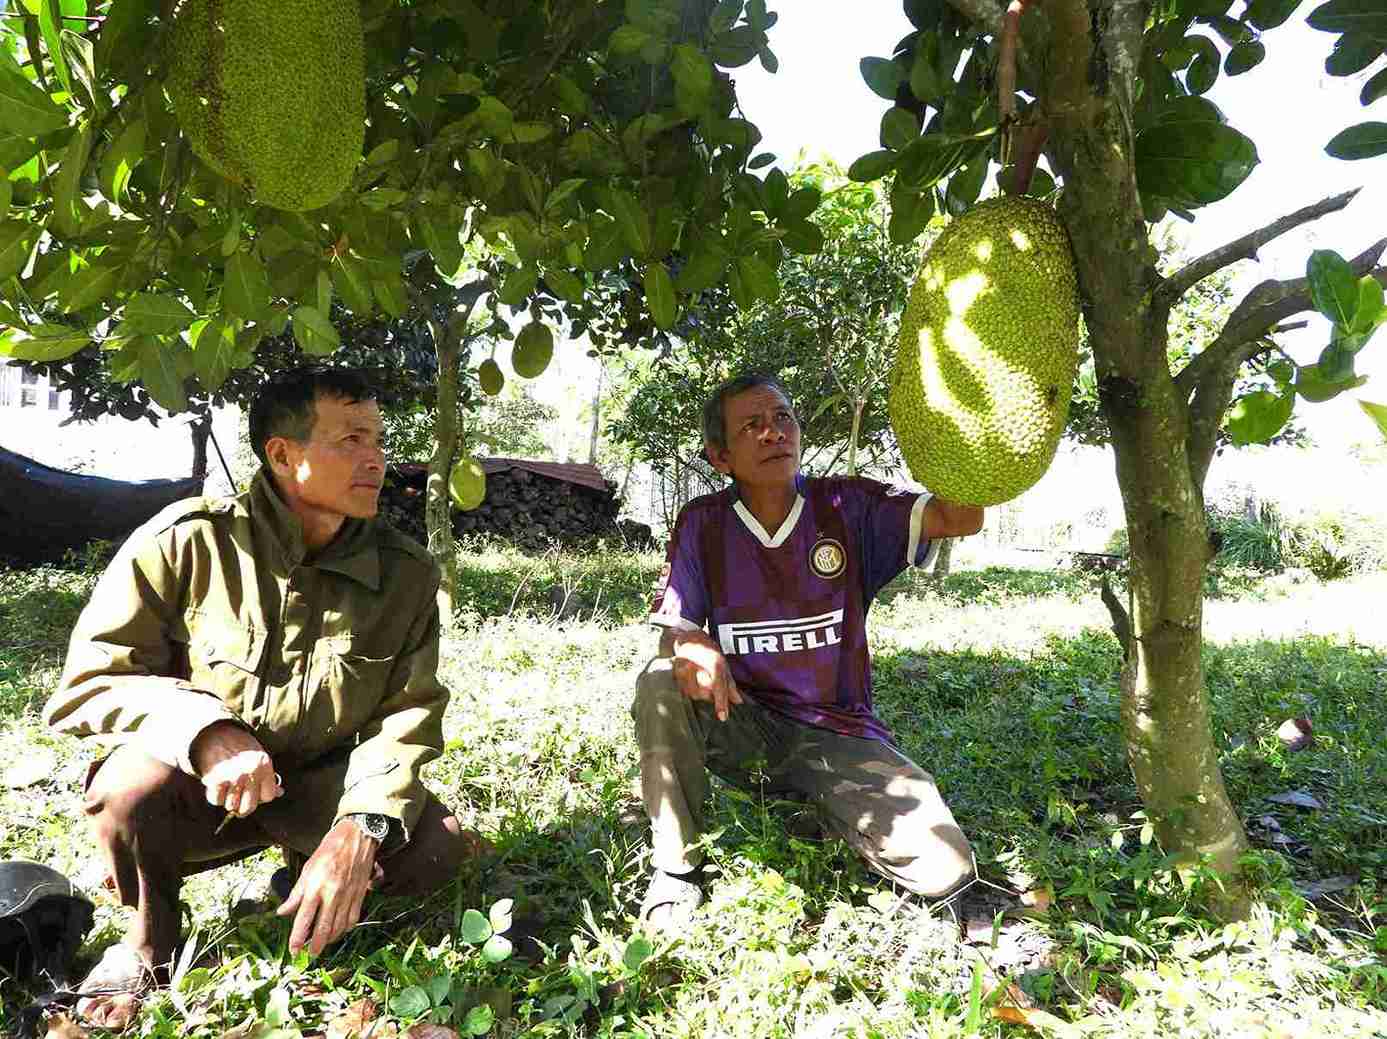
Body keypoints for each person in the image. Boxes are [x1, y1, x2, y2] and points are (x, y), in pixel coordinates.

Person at [43, 367, 482, 1027]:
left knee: (437, 846)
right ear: (283, 454)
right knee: (125, 794)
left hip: (319, 787)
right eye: (351, 439)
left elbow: (407, 718)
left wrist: (359, 824)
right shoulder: (185, 540)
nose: (376, 459)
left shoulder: (407, 576)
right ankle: (150, 938)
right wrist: (205, 728)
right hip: (199, 786)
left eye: (379, 441)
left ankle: (301, 882)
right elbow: (89, 680)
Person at [634, 373, 985, 928]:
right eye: (752, 425)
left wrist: (956, 427)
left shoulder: (849, 506)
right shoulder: (704, 523)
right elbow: (675, 626)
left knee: (945, 868)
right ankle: (676, 868)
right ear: (720, 456)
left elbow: (962, 516)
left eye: (782, 418)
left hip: (837, 733)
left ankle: (813, 801)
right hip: (745, 724)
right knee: (659, 680)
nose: (773, 433)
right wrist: (690, 641)